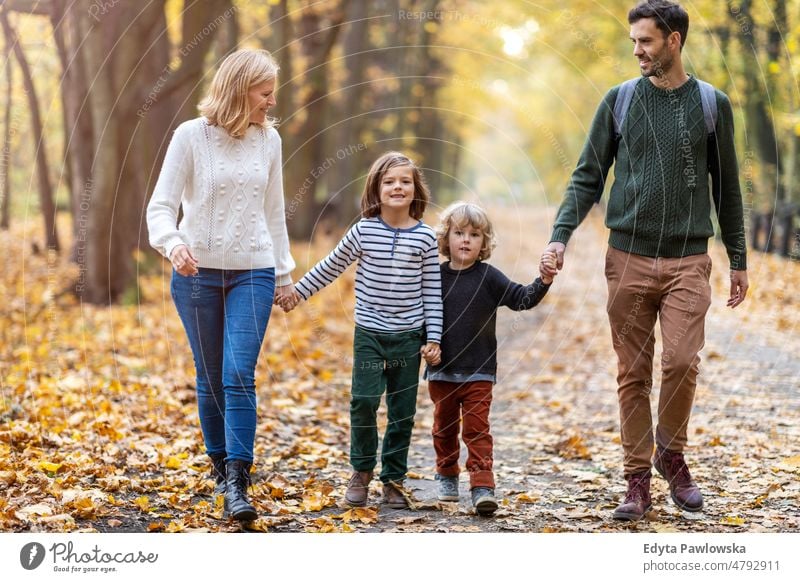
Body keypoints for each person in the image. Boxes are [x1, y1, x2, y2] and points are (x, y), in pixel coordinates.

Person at [541, 0, 749, 521]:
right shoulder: (619, 101)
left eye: (647, 41)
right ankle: (637, 480)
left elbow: (727, 187)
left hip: (687, 260)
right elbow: (587, 176)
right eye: (633, 41)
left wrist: (739, 257)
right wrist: (559, 235)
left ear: (674, 41)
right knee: (633, 372)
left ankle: (670, 454)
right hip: (627, 258)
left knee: (681, 362)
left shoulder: (710, 104)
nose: (637, 50)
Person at [146, 49, 296, 522]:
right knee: (210, 376)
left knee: (238, 374)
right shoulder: (191, 137)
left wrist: (284, 273)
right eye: (265, 92)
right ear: (239, 88)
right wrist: (172, 245)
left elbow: (274, 212)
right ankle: (218, 463)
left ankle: (238, 479)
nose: (272, 102)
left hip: (253, 270)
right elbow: (160, 207)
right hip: (196, 276)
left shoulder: (269, 140)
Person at [279, 151, 443, 509]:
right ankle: (361, 471)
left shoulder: (426, 238)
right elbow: (330, 266)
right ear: (375, 188)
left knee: (402, 411)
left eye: (405, 181)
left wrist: (434, 337)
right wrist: (297, 292)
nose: (397, 187)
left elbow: (433, 290)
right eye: (389, 181)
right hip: (369, 333)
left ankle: (393, 479)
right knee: (364, 402)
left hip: (409, 337)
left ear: (416, 189)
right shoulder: (364, 231)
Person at [425, 202, 556, 515]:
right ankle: (446, 472)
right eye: (459, 233)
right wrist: (424, 345)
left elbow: (521, 298)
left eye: (474, 234)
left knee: (477, 428)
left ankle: (482, 484)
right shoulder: (433, 277)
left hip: (479, 371)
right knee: (443, 427)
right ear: (446, 238)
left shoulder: (488, 277)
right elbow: (422, 316)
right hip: (442, 371)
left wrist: (544, 281)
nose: (466, 240)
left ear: (484, 242)